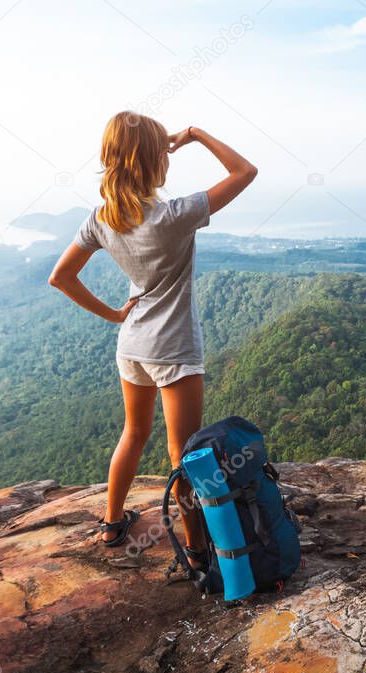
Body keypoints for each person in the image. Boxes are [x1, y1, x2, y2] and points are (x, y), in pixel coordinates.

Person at [48, 111, 257, 562]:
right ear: (153, 160)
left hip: (133, 346)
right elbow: (245, 172)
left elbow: (61, 277)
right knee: (186, 455)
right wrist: (197, 134)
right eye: (163, 151)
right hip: (175, 349)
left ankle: (111, 524)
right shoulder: (174, 215)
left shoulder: (102, 218)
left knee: (133, 433)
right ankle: (199, 548)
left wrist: (113, 315)